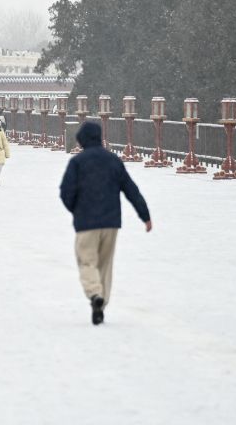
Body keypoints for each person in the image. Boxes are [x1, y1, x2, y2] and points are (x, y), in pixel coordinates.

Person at [59, 121, 153, 326]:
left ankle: (94, 295)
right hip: (111, 222)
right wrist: (145, 215)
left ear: (82, 139)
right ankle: (101, 303)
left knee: (87, 261)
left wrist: (76, 209)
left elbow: (66, 192)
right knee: (104, 265)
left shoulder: (77, 162)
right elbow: (131, 190)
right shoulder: (113, 161)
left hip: (86, 223)